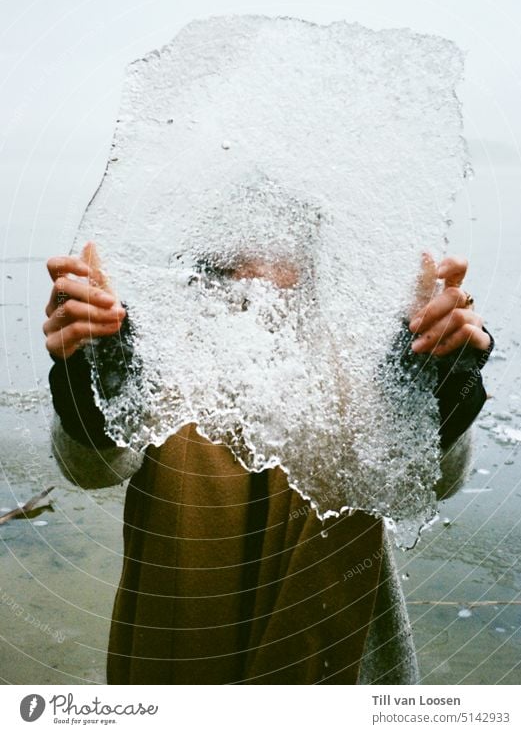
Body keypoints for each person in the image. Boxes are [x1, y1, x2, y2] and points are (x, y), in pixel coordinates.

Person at [44, 242, 493, 684]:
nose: (258, 300)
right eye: (236, 282)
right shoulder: (166, 357)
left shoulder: (353, 358)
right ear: (204, 278)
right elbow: (91, 467)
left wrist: (438, 375)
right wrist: (94, 364)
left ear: (313, 281)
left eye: (283, 286)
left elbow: (439, 479)